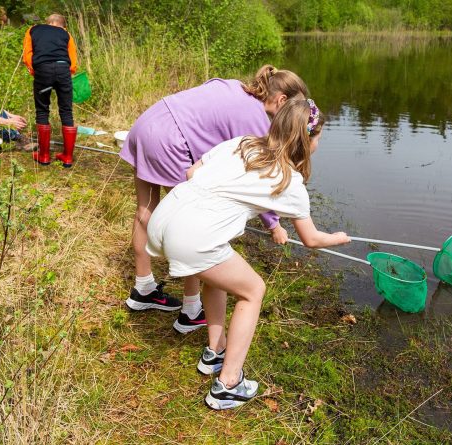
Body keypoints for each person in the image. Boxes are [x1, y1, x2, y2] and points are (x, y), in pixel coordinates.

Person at [146, 98, 349, 409]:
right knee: (254, 291)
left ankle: (215, 352)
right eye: (319, 136)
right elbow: (310, 238)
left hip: (165, 216)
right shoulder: (289, 181)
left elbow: (191, 173)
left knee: (217, 276)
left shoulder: (242, 143)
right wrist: (337, 238)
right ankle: (228, 384)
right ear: (307, 140)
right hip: (193, 236)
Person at [119, 65, 309, 334]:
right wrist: (274, 225)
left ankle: (144, 288)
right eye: (293, 111)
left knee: (145, 210)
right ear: (281, 101)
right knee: (188, 221)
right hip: (170, 141)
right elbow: (264, 174)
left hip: (145, 124)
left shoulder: (234, 86)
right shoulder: (256, 119)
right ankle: (191, 310)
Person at [22, 13, 79, 167]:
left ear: (49, 22)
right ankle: (67, 157)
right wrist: (67, 73)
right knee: (66, 111)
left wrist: (36, 71)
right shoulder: (66, 34)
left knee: (42, 110)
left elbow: (27, 55)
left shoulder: (33, 29)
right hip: (63, 70)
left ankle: (44, 156)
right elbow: (73, 61)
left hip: (43, 70)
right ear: (61, 25)